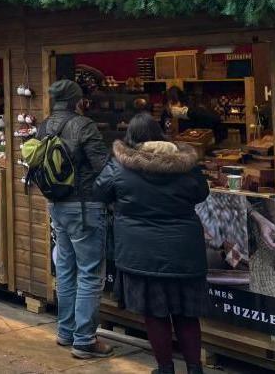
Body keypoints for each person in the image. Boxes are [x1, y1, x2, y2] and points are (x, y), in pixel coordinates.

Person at [94, 114, 209, 374]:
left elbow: (100, 191)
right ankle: (194, 368)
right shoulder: (186, 164)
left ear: (131, 138)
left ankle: (165, 368)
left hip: (141, 252)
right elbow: (202, 192)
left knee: (155, 313)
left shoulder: (120, 166)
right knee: (187, 313)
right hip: (184, 249)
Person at [39, 79, 112, 359]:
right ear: (76, 100)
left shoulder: (44, 126)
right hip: (84, 207)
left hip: (56, 206)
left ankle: (66, 331)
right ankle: (84, 340)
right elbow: (102, 167)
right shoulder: (84, 126)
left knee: (66, 270)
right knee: (91, 273)